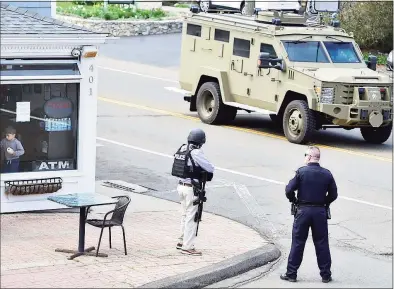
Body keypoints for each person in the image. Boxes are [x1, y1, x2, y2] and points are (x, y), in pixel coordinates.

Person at [280, 146, 338, 283]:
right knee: (322, 243)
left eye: (305, 154)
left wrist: (293, 200)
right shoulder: (327, 174)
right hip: (320, 212)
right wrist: (324, 203)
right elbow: (334, 194)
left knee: (298, 243)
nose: (304, 157)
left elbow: (289, 190)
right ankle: (326, 275)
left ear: (310, 156)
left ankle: (291, 274)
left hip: (303, 211)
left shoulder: (301, 172)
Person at [171, 128, 214, 256]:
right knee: (192, 217)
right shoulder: (196, 152)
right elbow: (210, 168)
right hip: (191, 188)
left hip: (181, 186)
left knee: (184, 214)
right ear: (200, 141)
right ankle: (188, 246)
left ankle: (181, 241)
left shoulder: (183, 148)